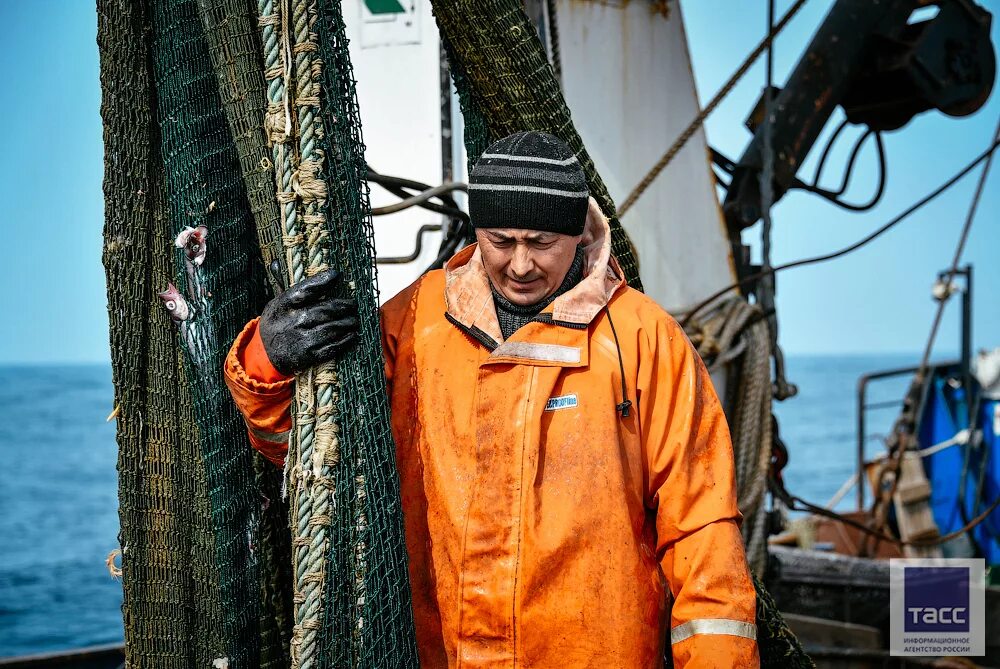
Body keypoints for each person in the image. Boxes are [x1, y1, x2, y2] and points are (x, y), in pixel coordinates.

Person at [224, 131, 760, 668]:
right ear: (477, 230)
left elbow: (702, 532)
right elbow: (309, 453)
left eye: (542, 242)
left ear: (577, 234)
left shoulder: (646, 339)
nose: (521, 265)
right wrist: (268, 360)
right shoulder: (415, 319)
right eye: (501, 240)